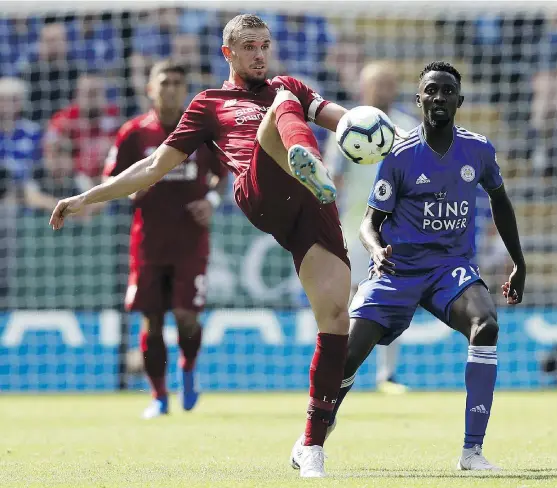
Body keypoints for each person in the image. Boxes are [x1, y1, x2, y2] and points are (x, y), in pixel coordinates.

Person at [50, 14, 354, 478]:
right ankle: (308, 159)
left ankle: (310, 445)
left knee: (335, 320)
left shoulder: (286, 83)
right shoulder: (210, 103)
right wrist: (84, 197)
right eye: (249, 47)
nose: (259, 55)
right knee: (284, 106)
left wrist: (377, 131)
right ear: (227, 53)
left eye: (265, 46)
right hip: (262, 189)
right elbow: (153, 167)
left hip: (313, 206)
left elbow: (342, 119)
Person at [292, 61, 527, 471]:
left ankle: (472, 452)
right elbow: (370, 221)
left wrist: (518, 263)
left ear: (460, 100)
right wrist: (376, 247)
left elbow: (500, 202)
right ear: (419, 99)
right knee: (346, 354)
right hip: (398, 268)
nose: (439, 97)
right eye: (431, 91)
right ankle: (314, 438)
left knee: (486, 324)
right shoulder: (399, 153)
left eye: (447, 91)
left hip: (449, 268)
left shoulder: (478, 149)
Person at [102, 60, 227, 419]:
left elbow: (226, 174)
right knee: (151, 320)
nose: (170, 88)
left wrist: (211, 200)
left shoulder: (202, 132)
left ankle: (188, 367)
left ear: (185, 89)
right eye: (164, 82)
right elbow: (112, 179)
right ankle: (158, 397)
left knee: (187, 317)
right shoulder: (133, 133)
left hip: (191, 242)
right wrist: (129, 193)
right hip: (149, 243)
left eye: (177, 82)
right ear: (150, 88)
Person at [324, 60, 419, 395]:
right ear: (363, 88)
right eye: (377, 84)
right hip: (352, 229)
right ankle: (332, 367)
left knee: (391, 300)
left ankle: (387, 376)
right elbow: (332, 180)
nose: (383, 90)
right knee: (340, 302)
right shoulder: (347, 126)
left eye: (389, 83)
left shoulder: (408, 128)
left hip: (395, 232)